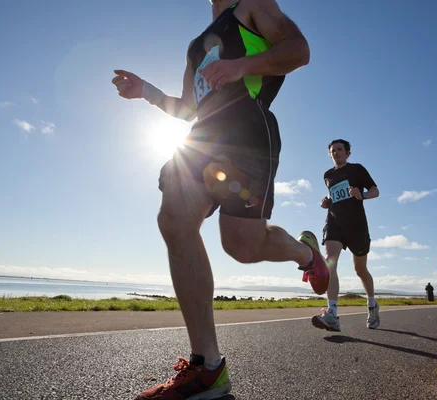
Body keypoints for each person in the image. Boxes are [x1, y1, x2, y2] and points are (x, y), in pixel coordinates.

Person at [111, 1, 329, 398]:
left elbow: (299, 52)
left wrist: (240, 67)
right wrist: (147, 92)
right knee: (174, 218)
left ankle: (306, 255)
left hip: (247, 130)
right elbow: (187, 108)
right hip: (202, 137)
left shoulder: (252, 6)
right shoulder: (197, 45)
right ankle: (207, 367)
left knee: (242, 246)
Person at [311, 139, 380, 332]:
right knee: (329, 262)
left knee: (360, 270)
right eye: (332, 151)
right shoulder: (328, 175)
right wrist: (326, 201)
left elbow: (375, 190)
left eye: (339, 149)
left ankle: (372, 305)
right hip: (334, 223)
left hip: (356, 226)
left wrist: (362, 195)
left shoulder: (357, 169)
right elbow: (334, 195)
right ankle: (332, 313)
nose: (336, 153)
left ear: (347, 153)